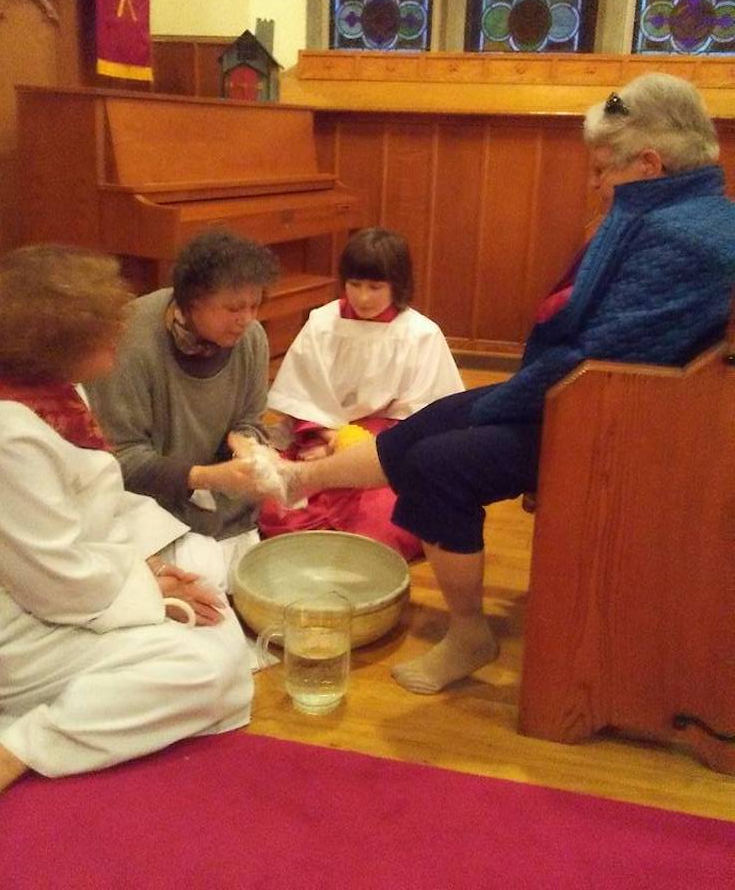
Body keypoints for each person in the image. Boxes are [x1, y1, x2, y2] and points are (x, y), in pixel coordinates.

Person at [247, 73, 735, 696]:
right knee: (436, 418)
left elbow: (598, 356)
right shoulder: (694, 212)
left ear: (648, 162)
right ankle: (298, 479)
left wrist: (509, 398)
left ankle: (470, 633)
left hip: (621, 422)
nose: (594, 184)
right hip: (598, 396)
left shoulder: (680, 235)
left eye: (601, 169)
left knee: (436, 465)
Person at [0, 245, 255, 839]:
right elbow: (55, 582)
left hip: (76, 576)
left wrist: (150, 560)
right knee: (211, 664)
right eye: (108, 325)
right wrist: (155, 595)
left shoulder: (53, 390)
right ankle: (10, 751)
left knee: (204, 568)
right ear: (56, 338)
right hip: (4, 616)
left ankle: (96, 697)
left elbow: (100, 503)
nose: (124, 332)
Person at [86, 229, 279, 587]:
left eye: (255, 306)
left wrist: (247, 447)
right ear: (190, 301)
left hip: (224, 497)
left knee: (253, 584)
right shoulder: (129, 343)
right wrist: (204, 477)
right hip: (151, 504)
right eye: (234, 308)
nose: (247, 319)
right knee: (206, 589)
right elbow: (120, 458)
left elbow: (249, 420)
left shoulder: (250, 338)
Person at [260, 228, 463, 559]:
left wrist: (346, 449)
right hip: (317, 435)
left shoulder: (419, 335)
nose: (363, 297)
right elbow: (304, 395)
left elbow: (421, 418)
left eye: (375, 287)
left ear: (397, 285)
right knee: (273, 507)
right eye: (355, 285)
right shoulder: (323, 323)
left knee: (386, 523)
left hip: (386, 451)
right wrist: (330, 439)